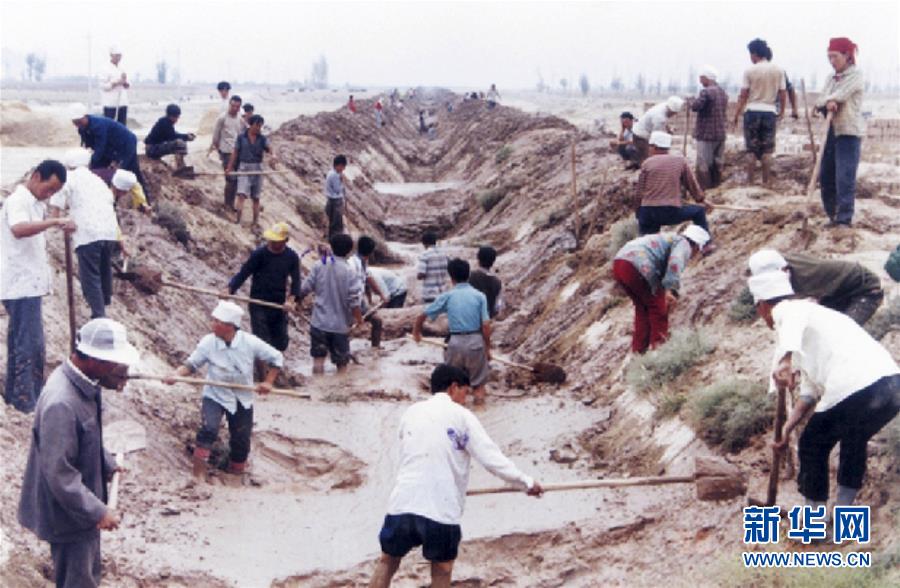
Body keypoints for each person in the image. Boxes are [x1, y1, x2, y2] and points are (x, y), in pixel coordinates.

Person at [370, 364, 543, 588]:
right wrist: (526, 482)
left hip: (402, 503)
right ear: (453, 387)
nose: (466, 399)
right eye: (465, 392)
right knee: (442, 570)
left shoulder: (410, 413)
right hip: (440, 510)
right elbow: (491, 458)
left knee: (387, 561)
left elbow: (408, 455)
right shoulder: (462, 416)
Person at [748, 270, 899, 510]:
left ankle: (814, 517)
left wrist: (785, 359)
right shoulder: (814, 324)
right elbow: (810, 390)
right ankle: (844, 515)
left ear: (762, 306)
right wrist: (788, 427)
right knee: (854, 439)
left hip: (857, 386)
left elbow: (791, 318)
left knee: (812, 444)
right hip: (891, 387)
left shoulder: (791, 310)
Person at [18, 318, 138, 588]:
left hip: (78, 509)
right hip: (67, 514)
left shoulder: (83, 384)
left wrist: (106, 463)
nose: (121, 372)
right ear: (95, 359)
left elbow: (84, 438)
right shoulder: (62, 402)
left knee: (86, 574)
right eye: (116, 365)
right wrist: (97, 511)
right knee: (78, 580)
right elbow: (59, 474)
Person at [165, 301, 283, 480]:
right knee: (208, 429)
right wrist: (176, 375)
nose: (212, 324)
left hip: (241, 396)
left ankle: (236, 474)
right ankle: (198, 476)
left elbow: (276, 358)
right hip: (215, 394)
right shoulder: (208, 342)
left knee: (241, 439)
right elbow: (191, 364)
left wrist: (268, 382)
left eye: (217, 321)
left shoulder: (249, 342)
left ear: (229, 326)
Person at [1, 160, 72, 412]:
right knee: (28, 343)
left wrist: (56, 220)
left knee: (29, 342)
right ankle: (24, 401)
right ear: (36, 176)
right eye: (48, 188)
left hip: (29, 283)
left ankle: (18, 395)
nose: (49, 194)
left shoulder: (35, 203)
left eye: (54, 192)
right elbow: (19, 229)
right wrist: (54, 222)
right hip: (19, 284)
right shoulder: (18, 201)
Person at [612, 225, 710, 354]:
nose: (695, 255)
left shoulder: (669, 238)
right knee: (658, 308)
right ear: (697, 245)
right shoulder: (684, 244)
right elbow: (675, 263)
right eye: (699, 251)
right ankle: (658, 351)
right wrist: (670, 289)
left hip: (619, 263)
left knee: (643, 308)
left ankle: (639, 351)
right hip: (638, 264)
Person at [49, 150, 124, 319]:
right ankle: (104, 306)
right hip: (109, 231)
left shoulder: (68, 178)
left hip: (88, 233)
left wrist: (55, 220)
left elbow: (56, 206)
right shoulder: (97, 180)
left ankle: (99, 316)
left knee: (90, 276)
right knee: (104, 271)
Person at [413, 259, 492, 405]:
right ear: (468, 275)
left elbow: (422, 315)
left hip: (454, 344)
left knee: (453, 387)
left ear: (451, 277)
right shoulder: (479, 296)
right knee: (478, 387)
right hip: (475, 343)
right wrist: (487, 349)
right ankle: (481, 416)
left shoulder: (447, 296)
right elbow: (486, 326)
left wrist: (416, 333)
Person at [227, 222, 301, 368]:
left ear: (285, 241)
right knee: (261, 340)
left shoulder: (291, 257)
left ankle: (273, 369)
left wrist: (291, 300)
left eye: (277, 241)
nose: (273, 243)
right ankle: (263, 375)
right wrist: (229, 289)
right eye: (271, 240)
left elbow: (296, 282)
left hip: (278, 304)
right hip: (258, 303)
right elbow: (244, 272)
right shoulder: (259, 254)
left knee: (281, 342)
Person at [748, 249, 883, 326]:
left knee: (843, 333)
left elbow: (806, 309)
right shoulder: (770, 262)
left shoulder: (804, 278)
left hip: (864, 289)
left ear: (785, 269)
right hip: (834, 292)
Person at [814, 37, 865, 228]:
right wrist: (826, 102)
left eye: (835, 56)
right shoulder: (830, 78)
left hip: (848, 133)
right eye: (829, 57)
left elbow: (841, 95)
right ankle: (832, 215)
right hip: (830, 132)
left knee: (844, 177)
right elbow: (821, 100)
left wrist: (831, 100)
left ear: (846, 55)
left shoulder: (855, 75)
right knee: (826, 175)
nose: (832, 61)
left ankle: (844, 219)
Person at [297, 233, 364, 374]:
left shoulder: (319, 264)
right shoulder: (350, 272)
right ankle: (339, 391)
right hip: (340, 326)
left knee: (318, 360)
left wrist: (297, 302)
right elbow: (354, 302)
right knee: (342, 364)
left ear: (332, 247)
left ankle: (317, 391)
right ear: (350, 251)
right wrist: (359, 320)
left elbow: (305, 288)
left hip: (319, 323)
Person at [635, 131, 711, 239]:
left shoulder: (647, 163)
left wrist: (638, 212)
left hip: (648, 212)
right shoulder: (679, 161)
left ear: (655, 147)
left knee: (647, 240)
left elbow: (639, 192)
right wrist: (701, 200)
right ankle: (706, 243)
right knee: (698, 211)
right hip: (669, 211)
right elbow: (691, 185)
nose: (649, 149)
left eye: (650, 146)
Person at [732, 38, 786, 187]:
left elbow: (743, 95)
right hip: (769, 112)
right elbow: (783, 93)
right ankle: (766, 182)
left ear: (754, 53)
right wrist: (781, 111)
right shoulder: (778, 70)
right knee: (767, 150)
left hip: (752, 112)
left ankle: (750, 182)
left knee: (751, 150)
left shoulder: (750, 70)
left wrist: (736, 114)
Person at [70, 108, 150, 204]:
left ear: (85, 116)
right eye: (75, 123)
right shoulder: (82, 128)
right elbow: (87, 146)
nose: (78, 125)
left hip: (126, 143)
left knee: (128, 172)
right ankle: (102, 197)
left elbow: (100, 147)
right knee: (96, 170)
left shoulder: (98, 125)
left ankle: (144, 202)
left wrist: (92, 162)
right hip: (111, 146)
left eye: (79, 122)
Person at [227, 114, 275, 226]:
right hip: (244, 168)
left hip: (257, 168)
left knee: (256, 197)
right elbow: (235, 152)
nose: (258, 128)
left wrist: (273, 155)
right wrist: (229, 167)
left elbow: (269, 148)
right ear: (250, 125)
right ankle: (238, 221)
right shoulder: (241, 137)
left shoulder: (262, 138)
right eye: (257, 126)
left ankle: (255, 222)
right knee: (241, 195)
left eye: (260, 126)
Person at [690, 65, 729, 189]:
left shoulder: (706, 92)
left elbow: (696, 106)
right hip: (720, 134)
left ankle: (704, 189)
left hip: (706, 134)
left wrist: (691, 102)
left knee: (703, 163)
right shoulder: (723, 92)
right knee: (717, 162)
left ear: (707, 78)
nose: (700, 81)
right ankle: (716, 186)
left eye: (701, 78)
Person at [350, 236, 388, 348]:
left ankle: (375, 348)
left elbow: (369, 279)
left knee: (377, 321)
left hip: (359, 300)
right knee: (347, 328)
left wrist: (381, 295)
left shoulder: (363, 263)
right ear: (371, 252)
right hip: (350, 300)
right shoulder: (352, 264)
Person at [209, 95, 244, 211]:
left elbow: (243, 135)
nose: (234, 108)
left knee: (236, 180)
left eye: (237, 106)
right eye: (232, 105)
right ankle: (227, 204)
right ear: (229, 104)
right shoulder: (222, 118)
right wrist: (220, 151)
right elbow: (215, 137)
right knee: (230, 179)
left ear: (239, 107)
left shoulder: (240, 119)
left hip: (238, 153)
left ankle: (230, 204)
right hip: (226, 152)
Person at [144, 104, 195, 175]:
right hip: (152, 149)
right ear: (171, 116)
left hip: (153, 148)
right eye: (176, 117)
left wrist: (186, 136)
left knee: (180, 141)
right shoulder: (165, 123)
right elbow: (172, 136)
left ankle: (181, 166)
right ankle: (180, 167)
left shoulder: (165, 122)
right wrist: (186, 137)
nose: (177, 119)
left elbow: (173, 134)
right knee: (180, 143)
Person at [632, 96, 684, 164]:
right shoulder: (659, 117)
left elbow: (664, 123)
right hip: (641, 136)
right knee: (648, 159)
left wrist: (668, 130)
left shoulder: (665, 106)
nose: (674, 115)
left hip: (643, 132)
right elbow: (657, 138)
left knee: (651, 157)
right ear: (670, 110)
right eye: (674, 113)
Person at [468, 246, 502, 319]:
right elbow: (498, 306)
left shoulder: (469, 276)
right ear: (493, 261)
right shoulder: (497, 282)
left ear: (478, 259)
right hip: (486, 321)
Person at [417, 230, 449, 304]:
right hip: (443, 292)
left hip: (430, 293)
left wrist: (418, 276)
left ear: (424, 243)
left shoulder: (425, 255)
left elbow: (421, 274)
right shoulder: (444, 254)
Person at [101, 45, 129, 125]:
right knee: (110, 125)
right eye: (116, 56)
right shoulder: (105, 68)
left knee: (122, 126)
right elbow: (103, 86)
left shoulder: (122, 68)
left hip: (122, 102)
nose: (118, 58)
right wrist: (115, 83)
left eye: (120, 56)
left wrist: (125, 82)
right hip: (110, 103)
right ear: (111, 55)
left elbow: (127, 84)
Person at [324, 155, 348, 239]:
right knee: (337, 222)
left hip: (330, 199)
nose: (343, 169)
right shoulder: (335, 175)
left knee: (332, 221)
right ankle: (335, 239)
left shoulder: (331, 173)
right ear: (338, 165)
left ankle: (330, 237)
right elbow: (337, 189)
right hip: (336, 200)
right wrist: (342, 182)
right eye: (343, 167)